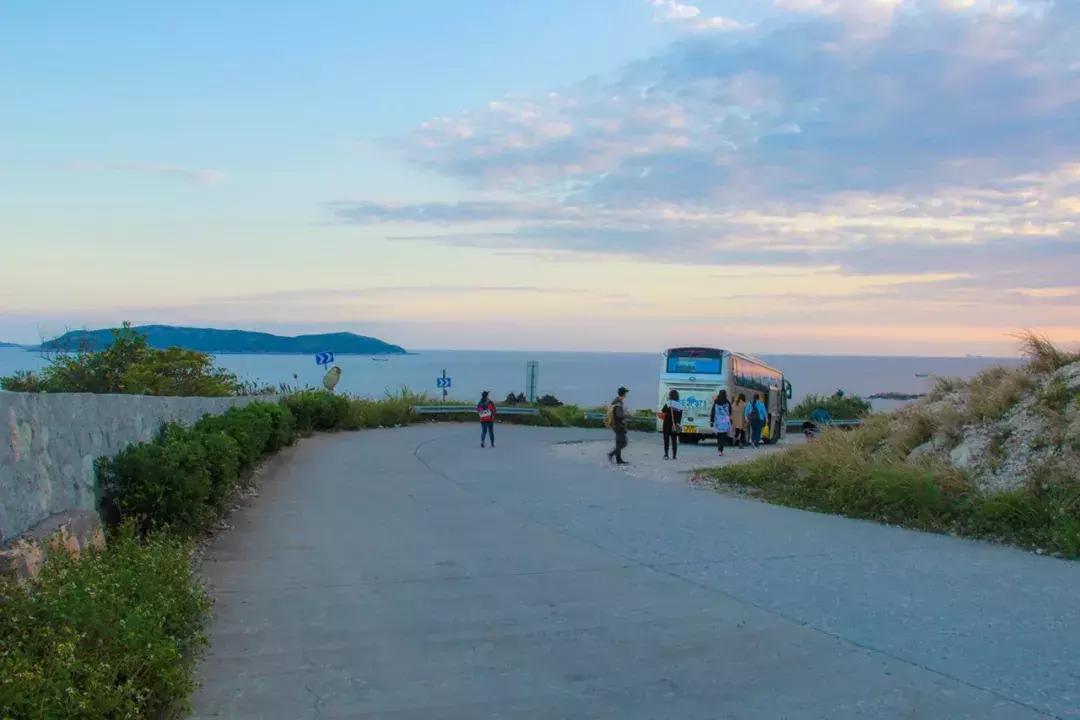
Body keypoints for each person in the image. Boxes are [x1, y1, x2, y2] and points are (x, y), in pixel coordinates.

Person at [606, 386, 630, 465]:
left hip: (615, 425)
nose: (626, 395)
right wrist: (627, 415)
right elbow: (619, 415)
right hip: (618, 425)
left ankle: (618, 459)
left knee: (619, 443)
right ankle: (611, 454)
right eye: (625, 393)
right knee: (623, 443)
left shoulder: (616, 401)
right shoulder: (618, 403)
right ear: (624, 394)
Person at [657, 389, 683, 460]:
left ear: (670, 396)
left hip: (667, 424)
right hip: (675, 425)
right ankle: (674, 456)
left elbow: (663, 411)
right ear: (677, 396)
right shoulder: (680, 406)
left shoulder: (668, 403)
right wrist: (677, 423)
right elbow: (680, 416)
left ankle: (666, 455)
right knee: (674, 440)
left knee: (666, 440)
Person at [711, 390, 733, 455]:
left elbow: (713, 412)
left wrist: (712, 420)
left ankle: (719, 448)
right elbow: (730, 411)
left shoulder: (716, 402)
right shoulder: (727, 402)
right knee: (723, 435)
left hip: (718, 420)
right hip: (725, 421)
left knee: (719, 435)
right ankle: (721, 449)